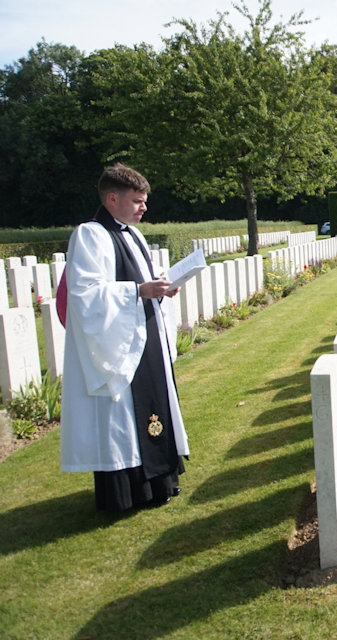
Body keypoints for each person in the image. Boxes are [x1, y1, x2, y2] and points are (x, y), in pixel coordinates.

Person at [60, 164, 189, 512]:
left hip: (143, 332)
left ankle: (161, 481)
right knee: (122, 417)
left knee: (153, 404)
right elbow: (85, 294)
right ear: (113, 198)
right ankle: (129, 492)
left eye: (144, 201)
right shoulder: (90, 235)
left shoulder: (134, 234)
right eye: (137, 201)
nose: (143, 208)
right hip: (116, 344)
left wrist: (160, 289)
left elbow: (143, 283)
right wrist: (138, 290)